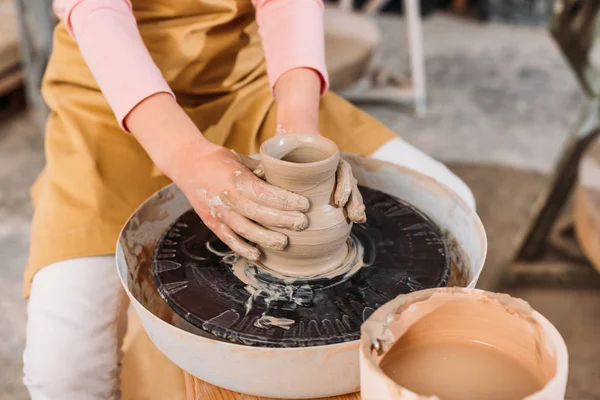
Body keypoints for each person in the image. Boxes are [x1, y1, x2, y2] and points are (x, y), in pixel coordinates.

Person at [22, 0, 475, 398]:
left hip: (246, 83)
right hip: (111, 101)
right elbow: (97, 10)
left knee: (455, 203)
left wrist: (298, 133)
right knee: (63, 372)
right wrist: (185, 154)